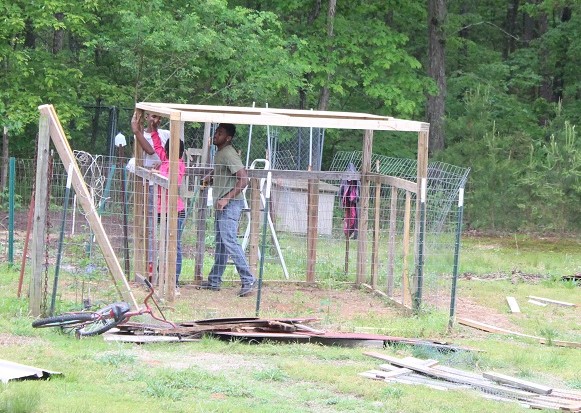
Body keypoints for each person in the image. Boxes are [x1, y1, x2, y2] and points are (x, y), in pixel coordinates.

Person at [200, 123, 256, 297]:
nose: (216, 135)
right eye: (216, 131)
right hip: (222, 204)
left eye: (220, 133)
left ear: (228, 138)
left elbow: (244, 179)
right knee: (221, 244)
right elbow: (225, 173)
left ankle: (248, 280)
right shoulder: (220, 153)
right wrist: (212, 176)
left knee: (230, 241)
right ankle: (214, 280)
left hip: (230, 204)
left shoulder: (229, 153)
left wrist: (226, 198)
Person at [131, 112, 186, 291]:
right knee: (163, 243)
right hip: (163, 210)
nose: (165, 151)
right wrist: (149, 129)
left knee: (173, 245)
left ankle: (174, 281)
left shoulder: (177, 164)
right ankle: (161, 277)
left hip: (175, 211)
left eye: (168, 149)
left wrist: (156, 173)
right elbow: (155, 145)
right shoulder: (165, 160)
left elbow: (173, 181)